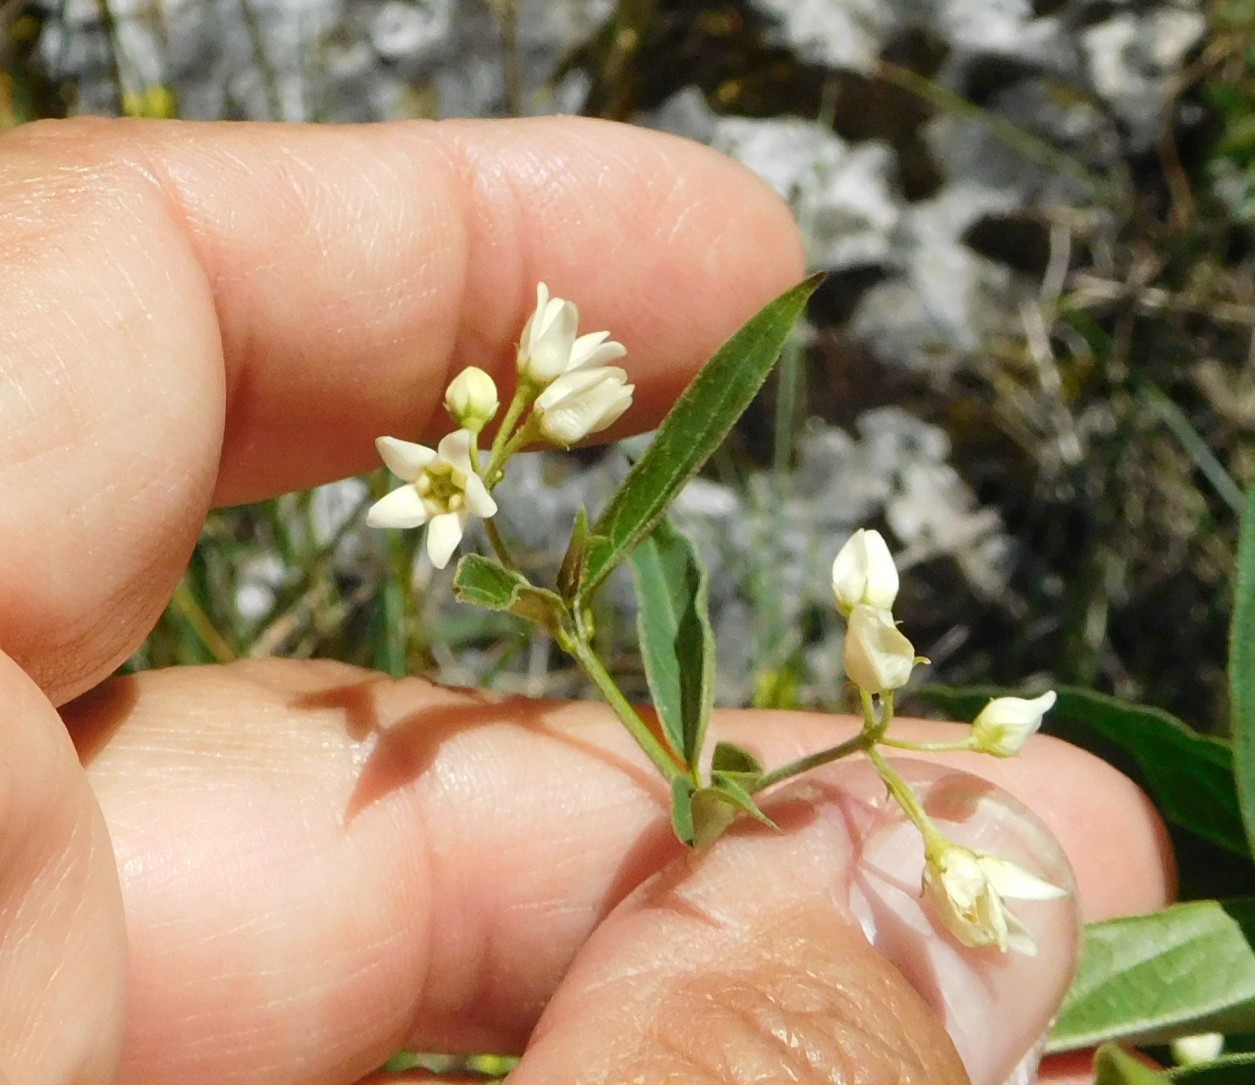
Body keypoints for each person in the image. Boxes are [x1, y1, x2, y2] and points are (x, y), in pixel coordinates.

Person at [0, 116, 1172, 1085]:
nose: (450, 482)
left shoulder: (486, 456)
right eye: (444, 481)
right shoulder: (462, 472)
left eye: (451, 479)